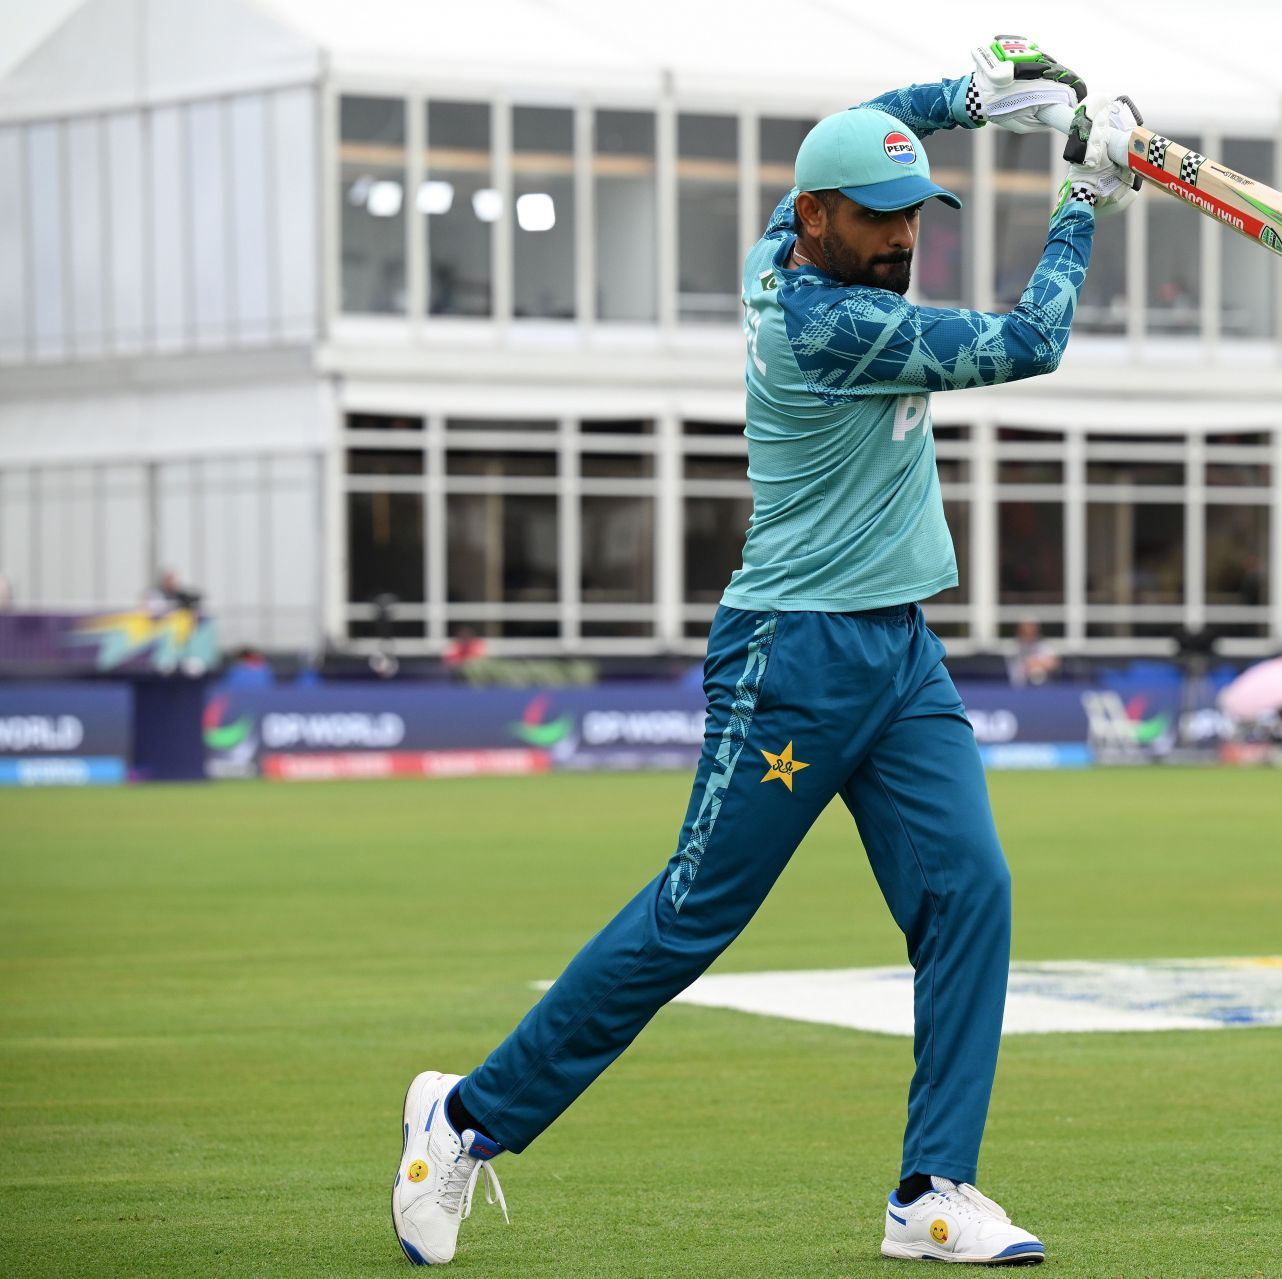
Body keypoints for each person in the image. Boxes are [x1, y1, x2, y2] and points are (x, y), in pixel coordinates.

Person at [391, 38, 1136, 1269]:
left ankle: (931, 1191)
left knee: (971, 894)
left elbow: (865, 119)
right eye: (884, 217)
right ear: (818, 218)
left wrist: (972, 99)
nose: (906, 237)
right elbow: (1028, 343)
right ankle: (462, 1120)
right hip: (791, 654)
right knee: (694, 918)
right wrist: (1080, 202)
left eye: (917, 213)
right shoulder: (825, 322)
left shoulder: (785, 239)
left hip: (896, 649)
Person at [1008, 617, 1060, 687]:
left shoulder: (1044, 646)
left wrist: (1036, 663)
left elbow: (1055, 663)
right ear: (1019, 632)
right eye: (1025, 631)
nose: (1029, 633)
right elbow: (1018, 670)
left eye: (1032, 630)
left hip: (1044, 688)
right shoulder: (1013, 648)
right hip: (1019, 688)